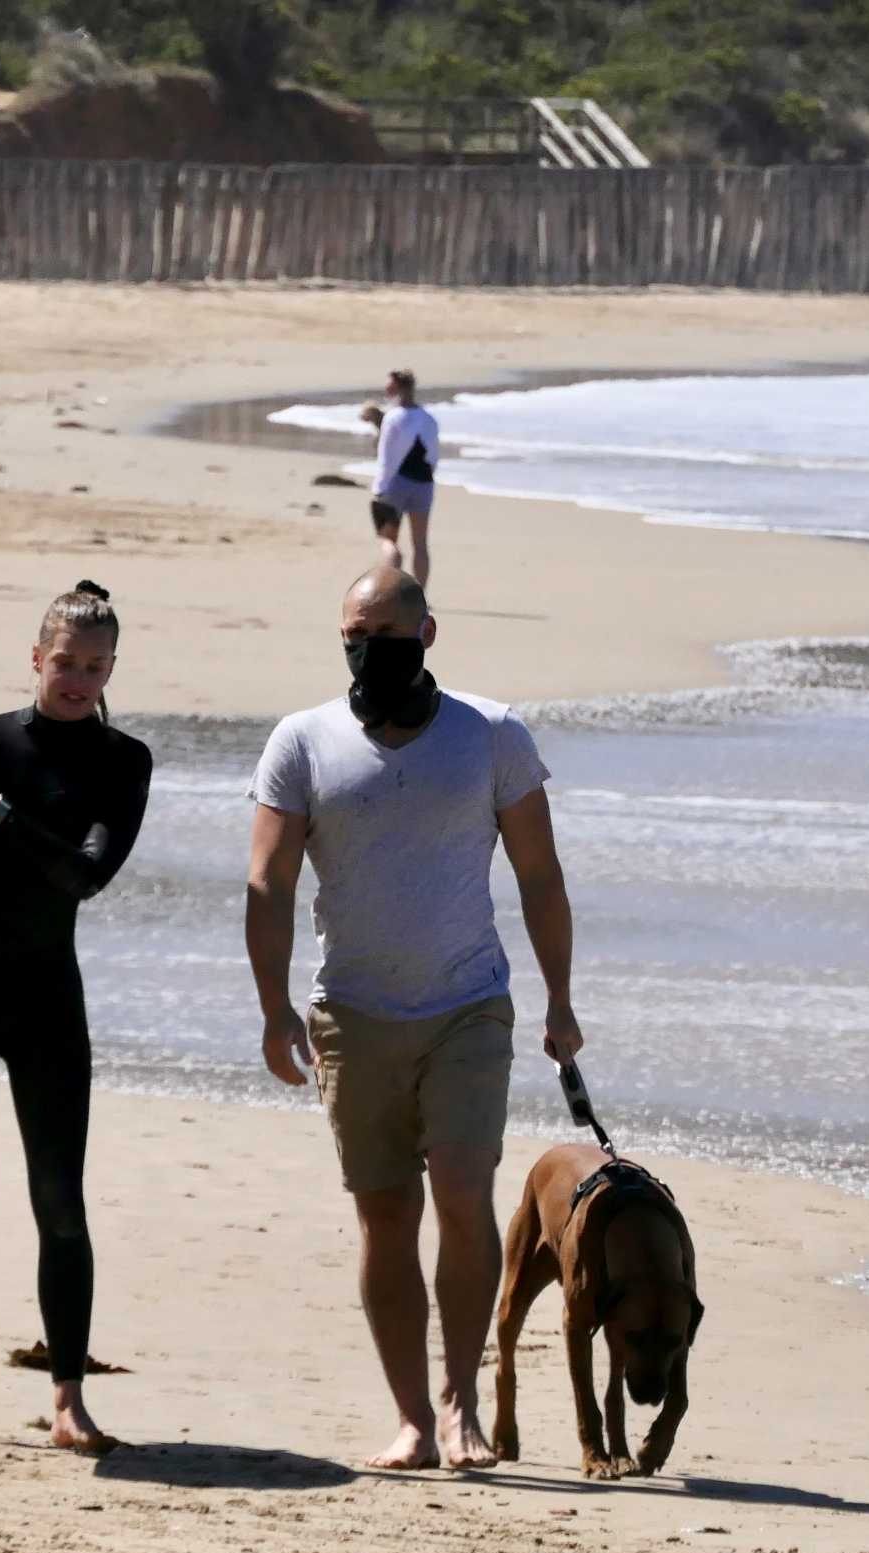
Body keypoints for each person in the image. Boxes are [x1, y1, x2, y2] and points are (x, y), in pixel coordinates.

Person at [244, 565, 580, 1471]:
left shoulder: (492, 734)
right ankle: (412, 1420)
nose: (369, 653)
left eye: (387, 639)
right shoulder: (302, 741)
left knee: (464, 1196)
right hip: (351, 1013)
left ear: (427, 634)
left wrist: (560, 998)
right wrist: (275, 1008)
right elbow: (269, 882)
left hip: (468, 1004)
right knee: (385, 1215)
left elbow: (539, 874)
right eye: (355, 638)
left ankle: (461, 1400)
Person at [0, 582, 155, 1454]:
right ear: (36, 657)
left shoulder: (124, 762)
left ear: (112, 668)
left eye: (96, 666)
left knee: (60, 1201)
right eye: (65, 662)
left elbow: (85, 875)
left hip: (48, 998)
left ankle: (69, 1400)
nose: (79, 680)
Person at [370, 369, 438, 588]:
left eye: (389, 387)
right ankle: (420, 598)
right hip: (424, 483)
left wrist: (379, 488)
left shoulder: (394, 417)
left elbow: (387, 457)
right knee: (420, 544)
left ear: (398, 388)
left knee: (387, 540)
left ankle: (392, 592)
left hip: (396, 482)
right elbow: (434, 455)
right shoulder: (428, 418)